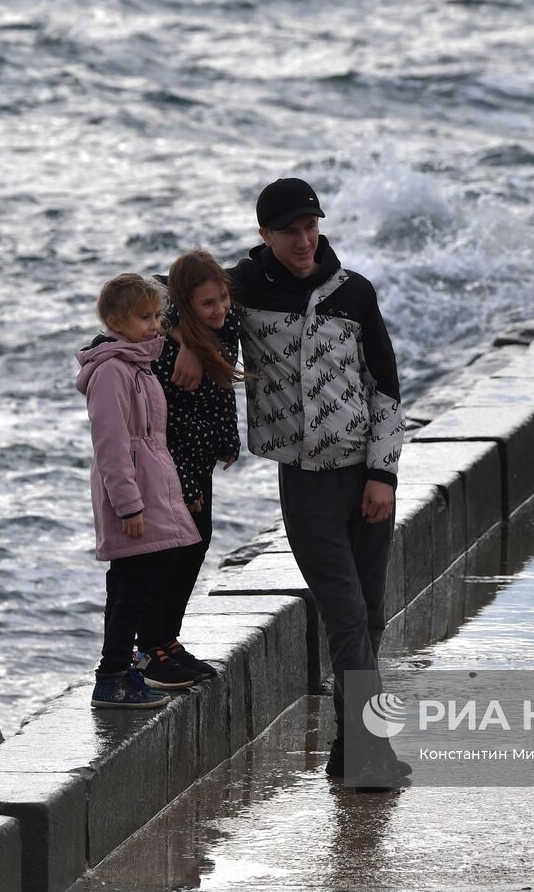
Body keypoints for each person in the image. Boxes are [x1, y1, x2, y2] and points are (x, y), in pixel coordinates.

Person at [173, 178, 409, 789]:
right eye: (289, 231)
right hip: (306, 485)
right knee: (347, 616)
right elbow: (169, 293)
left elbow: (385, 387)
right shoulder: (242, 290)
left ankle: (348, 746)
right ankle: (370, 756)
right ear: (265, 236)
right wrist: (186, 340)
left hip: (367, 479)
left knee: (372, 616)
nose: (304, 241)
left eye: (311, 227)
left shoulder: (354, 293)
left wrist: (383, 473)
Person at [76, 272, 202, 709]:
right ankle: (111, 677)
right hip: (131, 499)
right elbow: (111, 446)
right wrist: (129, 506)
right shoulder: (112, 371)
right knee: (130, 589)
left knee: (139, 584)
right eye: (144, 318)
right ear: (116, 321)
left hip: (150, 490)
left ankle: (123, 669)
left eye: (157, 316)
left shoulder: (138, 365)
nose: (154, 325)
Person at [132, 249, 244, 690]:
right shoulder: (164, 354)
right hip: (176, 467)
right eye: (208, 304)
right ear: (183, 305)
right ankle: (150, 649)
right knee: (174, 551)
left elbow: (219, 396)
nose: (220, 310)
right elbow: (170, 425)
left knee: (198, 544)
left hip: (202, 461)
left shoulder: (224, 326)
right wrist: (186, 481)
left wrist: (194, 337)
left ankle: (168, 641)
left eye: (222, 299)